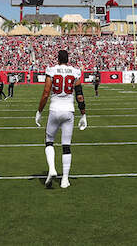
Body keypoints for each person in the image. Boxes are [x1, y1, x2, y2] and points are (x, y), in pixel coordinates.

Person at [35, 49, 87, 189]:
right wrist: (83, 114)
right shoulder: (75, 72)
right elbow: (80, 96)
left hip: (54, 109)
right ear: (68, 59)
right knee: (66, 146)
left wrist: (39, 111)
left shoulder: (51, 70)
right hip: (69, 110)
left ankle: (52, 168)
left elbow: (46, 93)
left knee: (49, 142)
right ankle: (64, 179)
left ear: (57, 59)